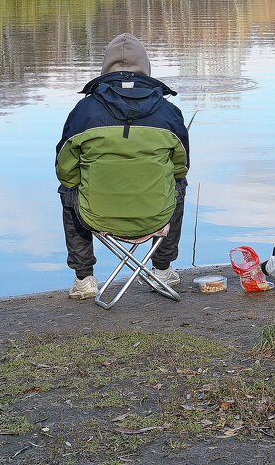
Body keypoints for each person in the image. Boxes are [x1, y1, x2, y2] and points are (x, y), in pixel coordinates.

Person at [54, 33, 190, 300]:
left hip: (95, 215)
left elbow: (65, 171)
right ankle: (161, 269)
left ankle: (84, 278)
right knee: (178, 186)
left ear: (104, 69)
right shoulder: (168, 113)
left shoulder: (84, 111)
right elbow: (181, 168)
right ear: (146, 68)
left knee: (68, 190)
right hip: (156, 215)